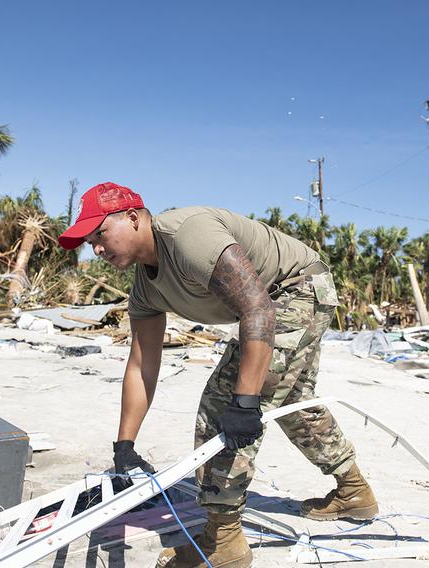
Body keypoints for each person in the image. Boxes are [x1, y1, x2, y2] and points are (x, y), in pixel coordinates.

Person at [59, 182, 378, 568]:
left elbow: (258, 309)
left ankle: (222, 538)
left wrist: (244, 401)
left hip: (297, 287)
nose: (96, 249)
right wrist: (124, 446)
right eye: (90, 241)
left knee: (224, 404)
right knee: (289, 399)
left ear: (132, 218)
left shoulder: (188, 236)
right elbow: (142, 364)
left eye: (100, 234)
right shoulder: (146, 289)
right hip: (275, 300)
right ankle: (354, 491)